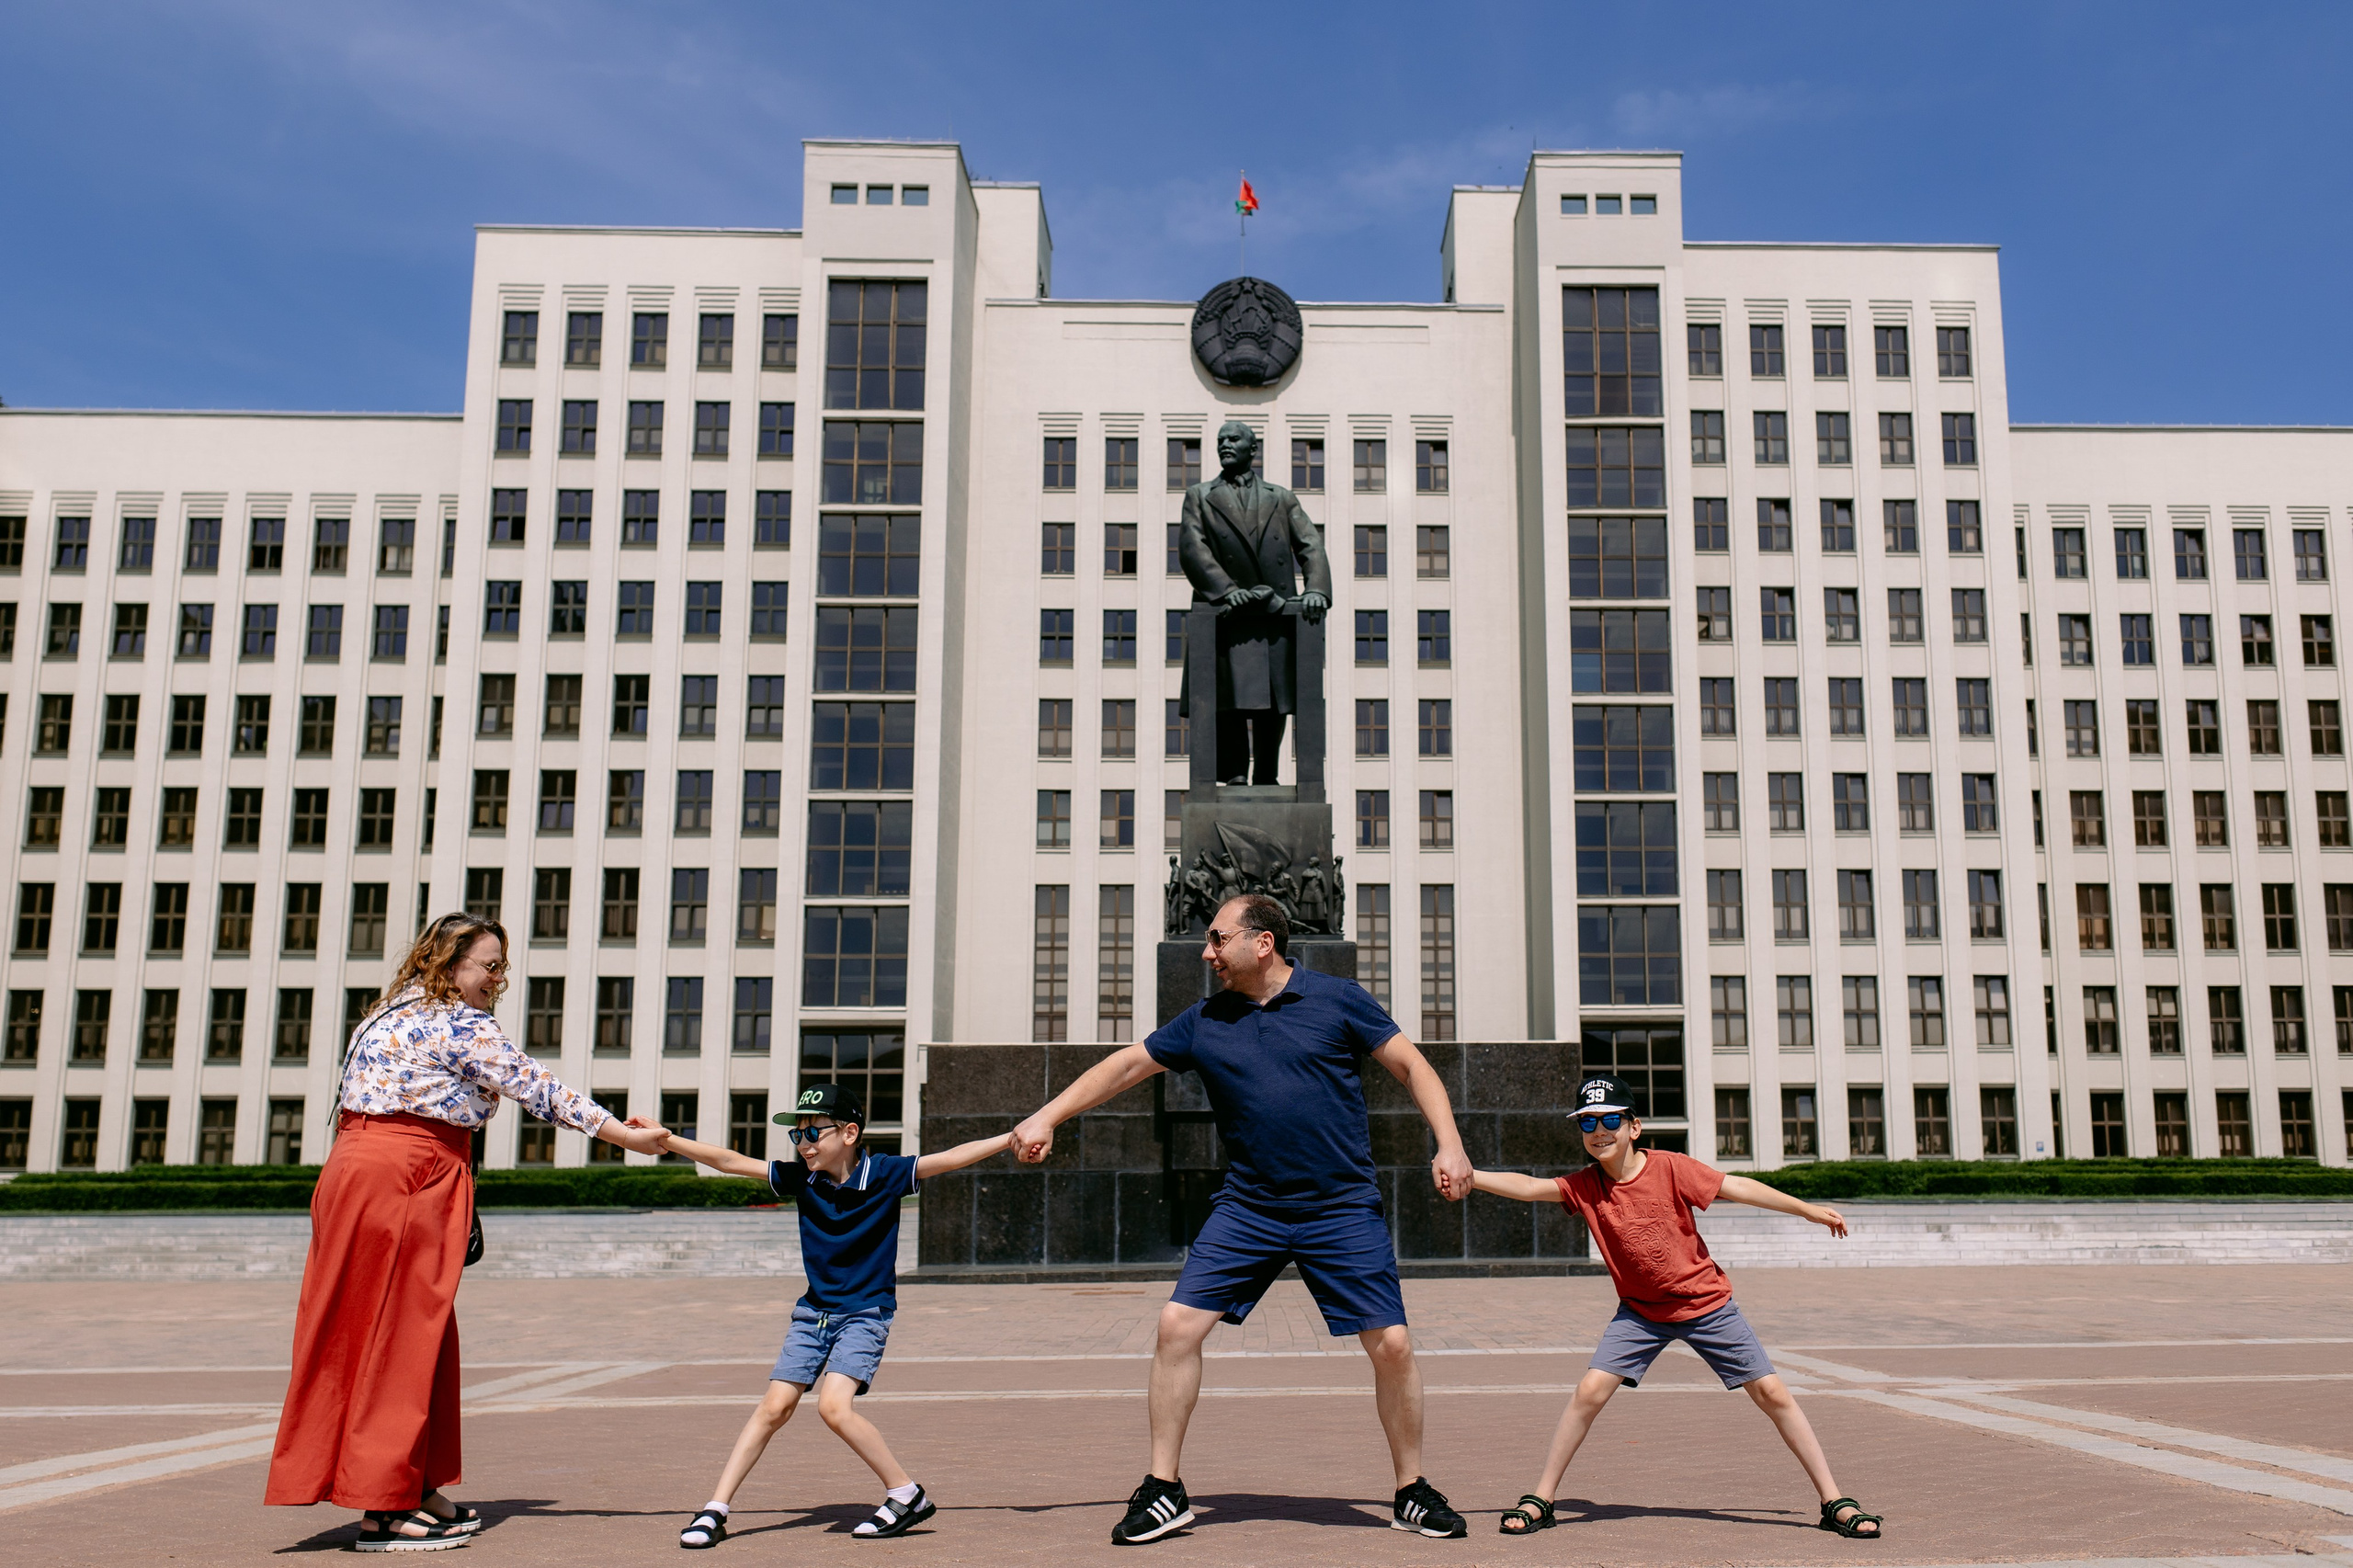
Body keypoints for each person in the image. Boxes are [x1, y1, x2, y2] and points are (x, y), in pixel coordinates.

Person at [1012, 892, 1473, 1544]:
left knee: (1392, 1345)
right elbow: (1126, 1066)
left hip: (1339, 1206)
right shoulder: (1205, 1020)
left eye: (1216, 939)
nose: (1207, 954)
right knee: (1177, 1327)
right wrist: (1047, 1115)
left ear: (1262, 943)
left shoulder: (1337, 999)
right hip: (1250, 1206)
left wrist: (1449, 1144)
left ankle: (1411, 1490)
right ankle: (1163, 1489)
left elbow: (1411, 1065)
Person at [265, 913, 669, 1552]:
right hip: (410, 1172)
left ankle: (411, 1484)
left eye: (501, 967)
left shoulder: (388, 1011)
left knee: (376, 1329)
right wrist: (625, 1135)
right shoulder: (459, 1022)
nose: (498, 979)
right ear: (448, 965)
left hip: (357, 1168)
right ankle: (385, 1505)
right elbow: (534, 1086)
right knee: (403, 1335)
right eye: (489, 965)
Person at [1467, 1074, 1883, 1540]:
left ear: (1634, 1127)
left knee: (1773, 1394)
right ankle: (1542, 1499)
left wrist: (1805, 1209)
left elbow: (1739, 1186)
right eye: (1588, 1123)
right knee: (1588, 1393)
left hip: (1707, 1305)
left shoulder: (1670, 1168)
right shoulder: (1586, 1185)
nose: (1599, 1131)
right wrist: (1470, 1176)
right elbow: (1528, 1187)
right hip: (1641, 1314)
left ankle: (1833, 1501)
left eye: (1609, 1120)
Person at [648, 1084, 1014, 1548]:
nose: (804, 1144)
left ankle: (906, 1494)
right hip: (813, 1315)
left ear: (850, 1133)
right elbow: (728, 1161)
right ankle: (714, 1511)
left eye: (814, 1133)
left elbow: (951, 1157)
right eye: (798, 1136)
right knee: (773, 1408)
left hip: (865, 1314)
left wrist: (1012, 1137)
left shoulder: (884, 1173)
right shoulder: (802, 1178)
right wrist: (667, 1140)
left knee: (833, 1407)